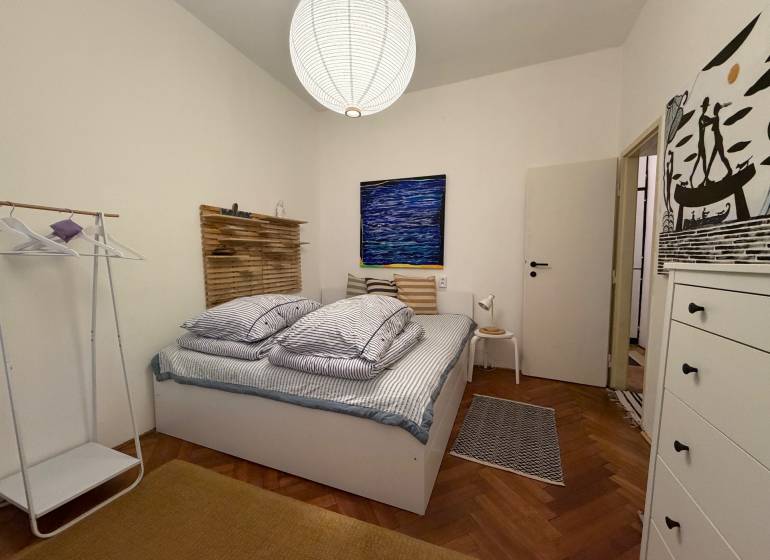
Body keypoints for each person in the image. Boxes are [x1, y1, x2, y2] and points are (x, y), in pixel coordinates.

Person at [689, 97, 714, 187]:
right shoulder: (701, 118)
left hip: (702, 143)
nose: (706, 108)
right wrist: (712, 121)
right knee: (700, 160)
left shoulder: (703, 117)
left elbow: (710, 120)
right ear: (703, 107)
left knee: (701, 161)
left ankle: (705, 179)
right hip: (701, 143)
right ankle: (692, 178)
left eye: (706, 106)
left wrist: (713, 120)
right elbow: (706, 123)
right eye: (705, 106)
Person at [706, 101, 733, 178]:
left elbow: (708, 122)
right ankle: (706, 179)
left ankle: (730, 170)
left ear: (716, 110)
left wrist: (703, 121)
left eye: (714, 109)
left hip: (718, 139)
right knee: (713, 159)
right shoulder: (715, 118)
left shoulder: (715, 118)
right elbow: (708, 121)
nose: (713, 111)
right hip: (717, 140)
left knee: (722, 157)